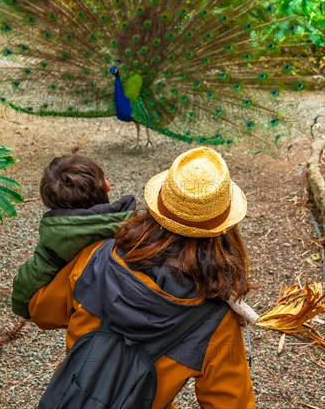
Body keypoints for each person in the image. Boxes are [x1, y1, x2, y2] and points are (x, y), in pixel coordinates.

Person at [28, 146, 256, 408]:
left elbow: (42, 312)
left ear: (159, 204)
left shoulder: (99, 258)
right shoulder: (215, 320)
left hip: (73, 398)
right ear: (225, 228)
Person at [12, 152, 136, 318]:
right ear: (106, 185)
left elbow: (22, 297)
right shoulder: (134, 228)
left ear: (49, 204)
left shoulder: (51, 250)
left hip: (85, 327)